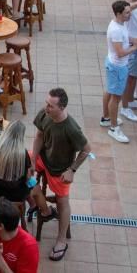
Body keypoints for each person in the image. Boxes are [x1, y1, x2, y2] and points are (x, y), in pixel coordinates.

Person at [29, 87, 91, 262]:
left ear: (62, 108)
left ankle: (61, 240)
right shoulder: (45, 114)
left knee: (63, 201)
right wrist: (33, 159)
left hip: (60, 169)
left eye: (51, 106)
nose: (46, 108)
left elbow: (87, 150)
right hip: (43, 157)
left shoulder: (71, 128)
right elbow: (39, 135)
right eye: (47, 104)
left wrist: (72, 170)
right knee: (21, 165)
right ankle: (42, 206)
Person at [101, 0, 137, 144]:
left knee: (110, 91)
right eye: (127, 12)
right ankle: (113, 127)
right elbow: (120, 52)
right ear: (119, 14)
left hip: (114, 64)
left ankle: (106, 117)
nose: (130, 14)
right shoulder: (116, 30)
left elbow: (125, 37)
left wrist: (134, 40)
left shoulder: (120, 24)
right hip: (118, 67)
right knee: (116, 97)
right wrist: (136, 47)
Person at [0, 120, 34, 205]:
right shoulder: (23, 153)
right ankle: (34, 207)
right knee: (34, 185)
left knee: (32, 185)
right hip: (15, 194)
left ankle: (33, 206)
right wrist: (32, 181)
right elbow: (28, 178)